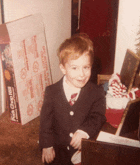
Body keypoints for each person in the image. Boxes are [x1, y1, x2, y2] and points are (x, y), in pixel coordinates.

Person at [39, 33, 106, 165]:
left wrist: (85, 132)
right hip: (58, 149)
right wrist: (47, 145)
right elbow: (45, 121)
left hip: (83, 149)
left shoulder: (97, 92)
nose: (81, 74)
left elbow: (98, 116)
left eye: (86, 67)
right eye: (74, 68)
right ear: (63, 68)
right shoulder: (52, 92)